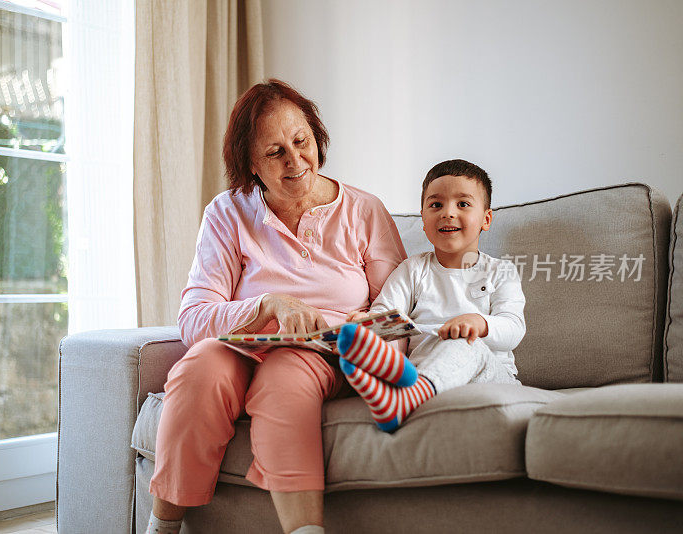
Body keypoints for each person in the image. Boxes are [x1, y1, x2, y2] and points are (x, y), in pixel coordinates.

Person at [145, 79, 406, 534]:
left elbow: (400, 309)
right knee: (199, 367)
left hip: (326, 353)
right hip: (244, 344)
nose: (295, 160)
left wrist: (369, 326)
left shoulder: (366, 211)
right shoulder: (227, 213)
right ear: (250, 165)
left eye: (301, 141)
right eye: (275, 152)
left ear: (316, 135)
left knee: (285, 375)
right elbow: (193, 319)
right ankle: (161, 528)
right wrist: (268, 304)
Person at [336, 159, 526, 432]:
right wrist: (366, 322)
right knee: (371, 335)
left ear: (486, 219)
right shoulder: (412, 269)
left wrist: (479, 323)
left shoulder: (500, 271)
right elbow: (387, 312)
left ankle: (405, 400)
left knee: (465, 343)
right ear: (423, 219)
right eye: (436, 205)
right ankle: (391, 379)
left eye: (463, 204)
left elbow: (513, 327)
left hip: (490, 375)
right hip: (422, 372)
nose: (448, 213)